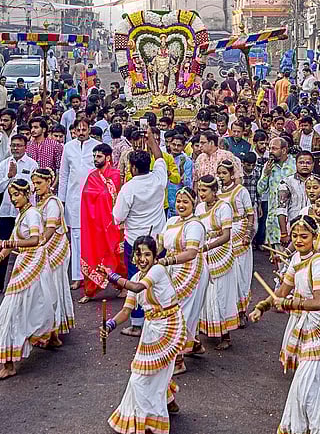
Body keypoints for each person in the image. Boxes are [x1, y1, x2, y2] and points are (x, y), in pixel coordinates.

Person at [249, 215, 320, 434]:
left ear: (315, 238)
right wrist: (262, 307)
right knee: (305, 386)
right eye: (295, 236)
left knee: (311, 386)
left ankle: (317, 428)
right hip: (309, 326)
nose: (298, 240)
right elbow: (281, 291)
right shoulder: (297, 258)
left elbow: (319, 301)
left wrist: (287, 303)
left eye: (304, 236)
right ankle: (301, 427)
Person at [98, 235, 186, 433]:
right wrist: (110, 325)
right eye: (138, 254)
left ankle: (150, 423)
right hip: (151, 328)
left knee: (142, 378)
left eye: (147, 254)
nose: (143, 259)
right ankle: (168, 402)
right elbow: (126, 311)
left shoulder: (157, 270)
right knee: (151, 374)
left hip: (168, 327)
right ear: (133, 258)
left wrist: (112, 276)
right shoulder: (136, 277)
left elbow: (137, 288)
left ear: (155, 256)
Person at [0, 179, 57, 381]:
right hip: (25, 265)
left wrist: (5, 242)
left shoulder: (33, 214)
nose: (14, 199)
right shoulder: (22, 216)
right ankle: (49, 337)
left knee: (10, 313)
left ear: (27, 194)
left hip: (32, 265)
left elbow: (36, 240)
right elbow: (10, 245)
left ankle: (9, 365)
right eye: (11, 195)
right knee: (34, 306)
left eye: (17, 194)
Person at [113, 126, 167, 337]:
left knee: (135, 279)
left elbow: (118, 216)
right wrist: (151, 138)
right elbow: (160, 156)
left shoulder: (129, 188)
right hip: (156, 241)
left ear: (133, 167)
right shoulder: (158, 178)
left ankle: (137, 323)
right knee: (158, 278)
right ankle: (160, 316)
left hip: (135, 241)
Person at [158, 187, 208, 371]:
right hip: (172, 269)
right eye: (178, 201)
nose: (181, 205)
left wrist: (167, 260)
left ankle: (178, 361)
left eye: (185, 202)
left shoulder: (194, 225)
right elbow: (160, 244)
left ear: (193, 204)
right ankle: (193, 344)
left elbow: (191, 253)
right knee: (174, 310)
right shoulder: (171, 221)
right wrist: (147, 255)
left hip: (191, 271)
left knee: (181, 313)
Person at [0, 133, 38, 293]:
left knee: (25, 247)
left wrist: (17, 176)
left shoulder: (32, 164)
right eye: (13, 145)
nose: (15, 148)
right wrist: (9, 176)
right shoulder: (4, 163)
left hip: (23, 213)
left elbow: (32, 188)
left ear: (25, 147)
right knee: (2, 245)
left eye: (19, 145)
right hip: (5, 211)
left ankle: (25, 280)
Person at [195, 175, 239, 349]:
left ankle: (225, 335)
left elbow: (226, 236)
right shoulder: (199, 208)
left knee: (220, 293)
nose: (201, 194)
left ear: (215, 191)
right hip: (203, 251)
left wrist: (207, 247)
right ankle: (208, 329)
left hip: (220, 253)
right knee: (205, 293)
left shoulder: (224, 207)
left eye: (204, 190)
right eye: (199, 190)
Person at [32, 168, 75, 337]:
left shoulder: (52, 203)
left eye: (39, 183)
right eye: (34, 183)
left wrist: (37, 243)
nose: (36, 187)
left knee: (55, 288)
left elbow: (50, 229)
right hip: (46, 250)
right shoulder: (40, 202)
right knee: (48, 288)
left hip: (56, 249)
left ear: (49, 182)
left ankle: (54, 329)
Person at [78, 143, 124, 303]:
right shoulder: (92, 176)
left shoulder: (116, 175)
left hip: (111, 223)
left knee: (117, 255)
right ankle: (90, 290)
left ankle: (123, 287)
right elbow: (86, 197)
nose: (95, 159)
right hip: (94, 223)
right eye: (94, 156)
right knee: (93, 253)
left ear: (108, 157)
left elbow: (112, 196)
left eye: (99, 156)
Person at [58, 118, 97, 290]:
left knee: (93, 238)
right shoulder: (68, 147)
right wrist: (61, 199)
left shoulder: (97, 146)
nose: (81, 132)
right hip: (73, 198)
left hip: (93, 198)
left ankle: (94, 275)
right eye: (78, 130)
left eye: (84, 129)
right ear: (73, 131)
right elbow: (64, 174)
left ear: (89, 130)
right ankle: (77, 276)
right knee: (75, 237)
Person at [216, 159, 254, 327]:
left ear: (232, 174)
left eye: (224, 173)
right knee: (227, 276)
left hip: (240, 232)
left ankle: (242, 311)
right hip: (224, 235)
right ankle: (226, 313)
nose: (221, 176)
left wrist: (248, 235)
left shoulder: (241, 191)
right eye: (219, 173)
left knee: (241, 276)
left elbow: (250, 214)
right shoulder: (216, 192)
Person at [257, 137, 296, 248]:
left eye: (274, 148)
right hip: (273, 220)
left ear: (284, 150)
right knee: (278, 259)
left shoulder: (294, 165)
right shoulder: (269, 166)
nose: (270, 151)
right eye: (270, 148)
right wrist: (265, 174)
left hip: (290, 217)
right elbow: (260, 190)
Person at [193, 130, 242, 194]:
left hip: (224, 197)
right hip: (203, 199)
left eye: (203, 143)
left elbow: (237, 177)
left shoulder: (226, 155)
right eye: (200, 143)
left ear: (211, 143)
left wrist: (233, 197)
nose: (200, 146)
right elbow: (196, 181)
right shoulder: (200, 158)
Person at [26, 116, 63, 182]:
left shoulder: (55, 145)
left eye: (36, 127)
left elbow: (59, 170)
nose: (32, 130)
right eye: (31, 127)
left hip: (49, 185)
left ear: (44, 129)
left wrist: (53, 187)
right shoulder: (27, 145)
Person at [167, 134, 193, 218]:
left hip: (179, 199)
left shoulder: (187, 161)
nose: (175, 147)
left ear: (183, 147)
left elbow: (188, 184)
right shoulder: (165, 158)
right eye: (173, 144)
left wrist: (181, 172)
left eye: (179, 145)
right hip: (165, 199)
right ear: (169, 144)